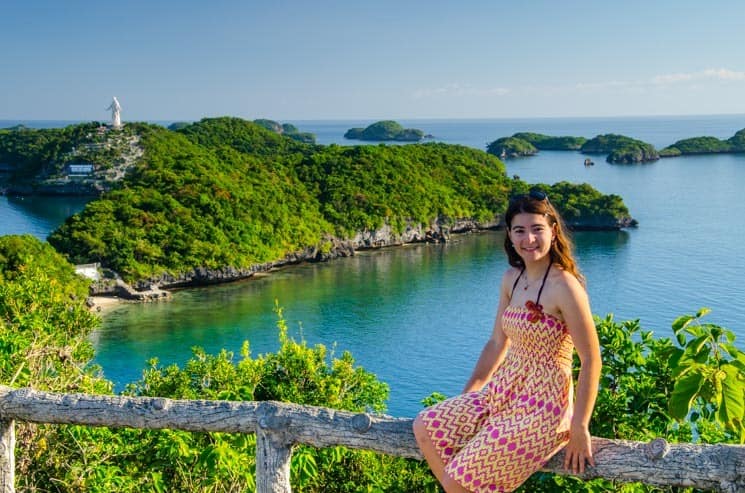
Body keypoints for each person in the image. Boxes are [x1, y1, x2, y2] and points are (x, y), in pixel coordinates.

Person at [413, 190, 602, 493]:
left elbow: (591, 359)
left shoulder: (566, 286)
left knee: (456, 482)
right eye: (520, 231)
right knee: (425, 426)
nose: (529, 239)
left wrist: (580, 426)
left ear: (553, 232)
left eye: (537, 229)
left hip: (544, 407)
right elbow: (496, 343)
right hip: (503, 393)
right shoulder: (511, 279)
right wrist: (469, 393)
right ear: (510, 236)